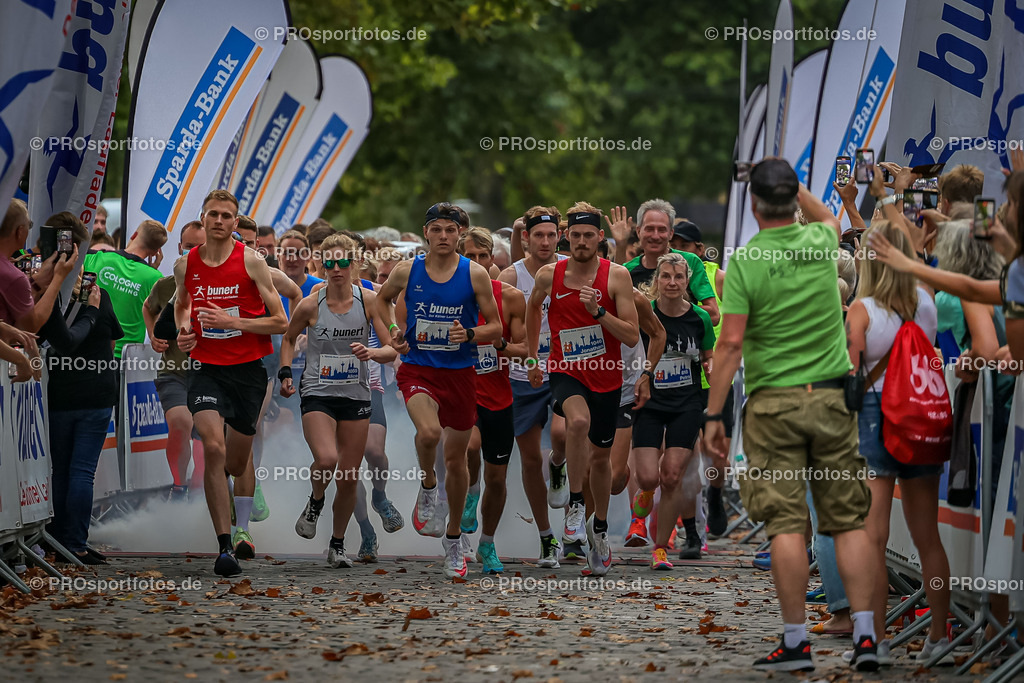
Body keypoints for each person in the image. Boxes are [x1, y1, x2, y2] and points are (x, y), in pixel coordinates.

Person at [703, 159, 879, 672]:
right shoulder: (823, 244)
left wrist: (714, 413)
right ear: (790, 197)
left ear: (754, 205)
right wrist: (789, 182)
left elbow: (731, 343)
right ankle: (866, 637)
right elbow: (825, 214)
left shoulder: (745, 263)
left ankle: (797, 640)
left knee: (786, 524)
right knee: (846, 520)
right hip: (829, 399)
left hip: (772, 404)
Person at [375, 202, 502, 578]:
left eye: (451, 230)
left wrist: (473, 334)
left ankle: (452, 541)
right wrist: (394, 333)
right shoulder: (407, 270)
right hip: (419, 369)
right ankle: (428, 484)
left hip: (460, 373)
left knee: (457, 461)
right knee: (429, 433)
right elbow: (380, 300)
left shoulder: (475, 274)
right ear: (426, 232)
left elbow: (495, 327)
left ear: (460, 234)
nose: (444, 236)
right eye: (438, 229)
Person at [846, 217, 952, 665]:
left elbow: (847, 375)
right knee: (929, 536)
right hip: (921, 418)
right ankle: (940, 635)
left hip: (876, 418)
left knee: (873, 537)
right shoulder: (927, 303)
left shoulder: (862, 311)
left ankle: (874, 639)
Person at [173, 190, 288, 577]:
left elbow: (281, 322)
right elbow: (181, 304)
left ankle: (241, 521)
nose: (219, 221)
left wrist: (234, 323)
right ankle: (224, 548)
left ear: (235, 223)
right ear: (203, 219)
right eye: (213, 215)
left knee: (238, 461)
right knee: (213, 446)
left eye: (227, 216)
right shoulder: (185, 264)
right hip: (207, 369)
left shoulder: (252, 261)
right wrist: (184, 331)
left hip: (248, 373)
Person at [527, 202, 639, 577]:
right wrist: (531, 358)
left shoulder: (617, 277)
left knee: (602, 460)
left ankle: (600, 529)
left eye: (588, 235)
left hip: (606, 374)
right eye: (574, 236)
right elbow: (531, 309)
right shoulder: (549, 275)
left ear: (600, 238)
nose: (581, 242)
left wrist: (599, 314)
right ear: (566, 237)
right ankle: (575, 503)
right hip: (565, 371)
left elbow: (632, 334)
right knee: (576, 424)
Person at [280, 233, 396, 567]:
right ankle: (315, 501)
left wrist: (371, 351)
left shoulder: (369, 301)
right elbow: (288, 338)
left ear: (355, 264)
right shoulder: (310, 304)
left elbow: (389, 349)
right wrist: (286, 371)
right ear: (320, 265)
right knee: (328, 459)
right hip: (318, 392)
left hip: (357, 396)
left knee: (348, 476)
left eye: (343, 262)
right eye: (328, 263)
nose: (336, 269)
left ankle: (338, 543)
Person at [37, 213, 122, 565]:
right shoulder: (92, 294)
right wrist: (91, 310)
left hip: (60, 393)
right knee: (81, 470)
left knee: (61, 468)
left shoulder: (42, 291)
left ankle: (59, 540)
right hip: (93, 393)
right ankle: (73, 543)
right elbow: (111, 332)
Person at [631, 253, 714, 569]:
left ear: (687, 282)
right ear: (657, 281)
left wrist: (713, 369)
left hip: (686, 404)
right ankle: (645, 492)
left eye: (679, 277)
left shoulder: (699, 318)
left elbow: (709, 355)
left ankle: (660, 547)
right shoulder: (645, 314)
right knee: (649, 476)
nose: (672, 283)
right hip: (649, 403)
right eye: (666, 276)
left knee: (672, 476)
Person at [497, 207, 569, 565]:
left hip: (564, 371)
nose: (544, 241)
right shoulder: (511, 276)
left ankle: (559, 463)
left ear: (560, 236)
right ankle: (546, 537)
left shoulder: (573, 269)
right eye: (537, 235)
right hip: (522, 378)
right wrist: (526, 359)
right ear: (525, 238)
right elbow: (506, 334)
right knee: (527, 459)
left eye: (550, 235)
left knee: (564, 433)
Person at [457, 228, 527, 574]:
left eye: (484, 256)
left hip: (499, 398)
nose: (479, 263)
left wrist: (500, 345)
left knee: (497, 480)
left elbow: (524, 350)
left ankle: (487, 543)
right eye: (470, 256)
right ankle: (470, 493)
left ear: (494, 260)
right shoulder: (449, 296)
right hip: (461, 392)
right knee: (470, 447)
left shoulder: (511, 297)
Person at [144, 221, 206, 500]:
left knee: (208, 441)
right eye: (189, 247)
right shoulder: (166, 285)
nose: (193, 252)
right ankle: (179, 486)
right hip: (175, 371)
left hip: (212, 374)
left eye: (200, 247)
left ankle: (199, 491)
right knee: (181, 422)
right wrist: (153, 335)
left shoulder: (225, 284)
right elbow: (148, 307)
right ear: (180, 248)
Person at [620, 200, 720, 325]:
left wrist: (675, 309)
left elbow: (714, 315)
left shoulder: (689, 261)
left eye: (662, 230)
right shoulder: (628, 270)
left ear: (671, 233)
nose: (655, 236)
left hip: (684, 342)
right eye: (649, 229)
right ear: (639, 231)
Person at [83, 219, 167, 359]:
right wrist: (151, 272)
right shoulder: (156, 278)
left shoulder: (97, 258)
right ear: (155, 252)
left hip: (89, 348)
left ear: (134, 235)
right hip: (127, 359)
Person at [0, 198, 77, 332]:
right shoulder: (13, 276)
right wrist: (58, 277)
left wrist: (35, 283)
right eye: (29, 225)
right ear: (19, 231)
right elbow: (30, 326)